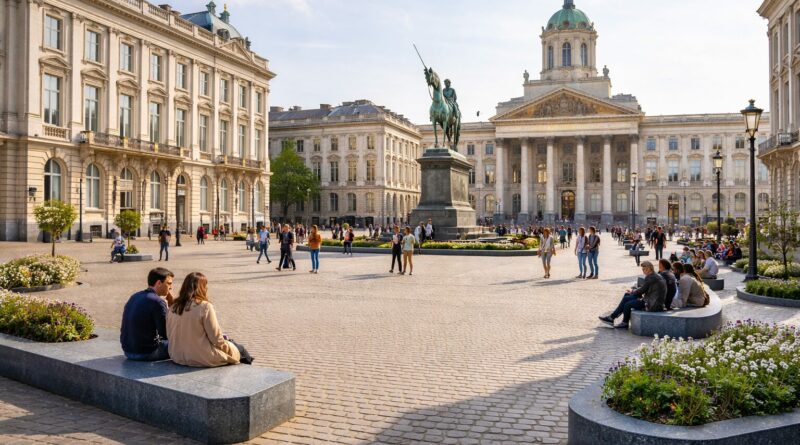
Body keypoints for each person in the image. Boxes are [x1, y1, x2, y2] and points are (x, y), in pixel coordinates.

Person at [167, 272, 253, 367]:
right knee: (241, 349)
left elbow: (169, 333)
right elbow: (216, 339)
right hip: (199, 357)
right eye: (205, 286)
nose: (207, 288)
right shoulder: (204, 306)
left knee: (233, 346)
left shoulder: (173, 306)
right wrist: (229, 349)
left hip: (177, 355)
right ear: (201, 288)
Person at [120, 268, 174, 361]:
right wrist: (171, 306)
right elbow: (165, 334)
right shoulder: (158, 302)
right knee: (185, 343)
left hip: (128, 351)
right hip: (147, 353)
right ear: (159, 283)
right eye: (168, 283)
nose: (171, 287)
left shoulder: (135, 296)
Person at [598, 261, 666, 329]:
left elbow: (642, 291)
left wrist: (633, 291)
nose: (643, 271)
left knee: (628, 304)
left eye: (643, 269)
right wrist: (634, 291)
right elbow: (645, 288)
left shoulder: (650, 277)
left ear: (648, 269)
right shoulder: (655, 275)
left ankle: (622, 321)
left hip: (652, 304)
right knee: (627, 295)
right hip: (653, 301)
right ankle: (612, 318)